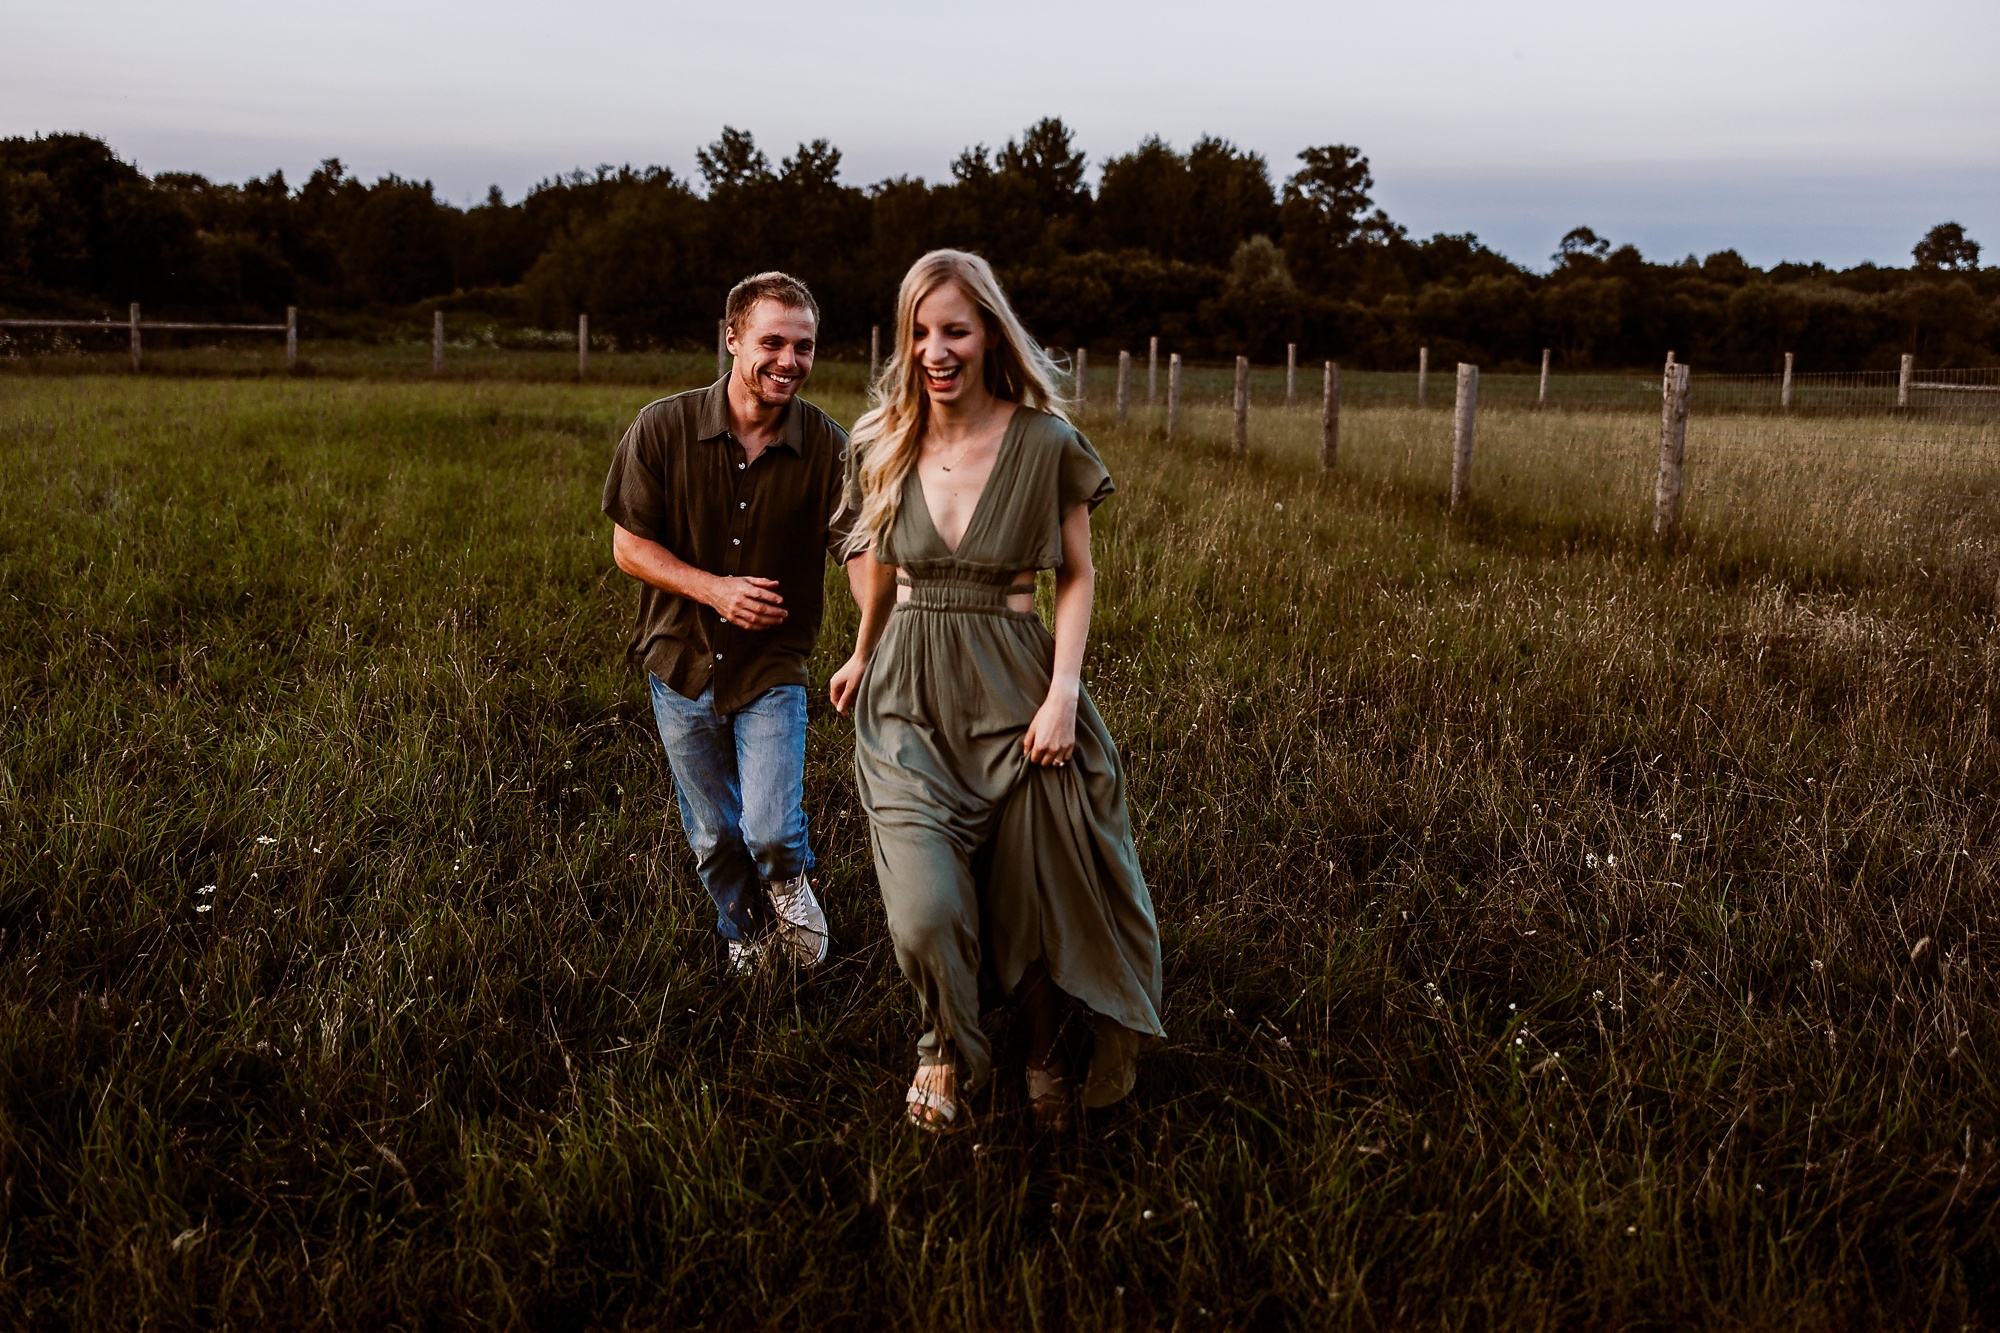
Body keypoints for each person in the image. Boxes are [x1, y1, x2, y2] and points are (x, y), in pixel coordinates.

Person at [830, 249, 1164, 1131]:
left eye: (955, 330)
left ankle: (1042, 1049)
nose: (936, 350)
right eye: (920, 332)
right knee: (926, 908)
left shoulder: (1046, 443)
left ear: (989, 336)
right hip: (905, 691)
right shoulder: (881, 441)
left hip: (1019, 690)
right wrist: (862, 651)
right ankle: (944, 1040)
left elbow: (1080, 576)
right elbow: (880, 566)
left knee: (1036, 887)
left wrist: (1063, 691)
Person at [603, 271, 854, 972]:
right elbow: (628, 545)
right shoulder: (663, 426)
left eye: (803, 347)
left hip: (771, 666)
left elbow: (857, 548)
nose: (789, 361)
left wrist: (878, 638)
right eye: (772, 341)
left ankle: (788, 882)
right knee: (714, 834)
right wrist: (713, 590)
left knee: (770, 829)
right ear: (733, 338)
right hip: (680, 663)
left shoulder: (829, 448)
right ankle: (746, 932)